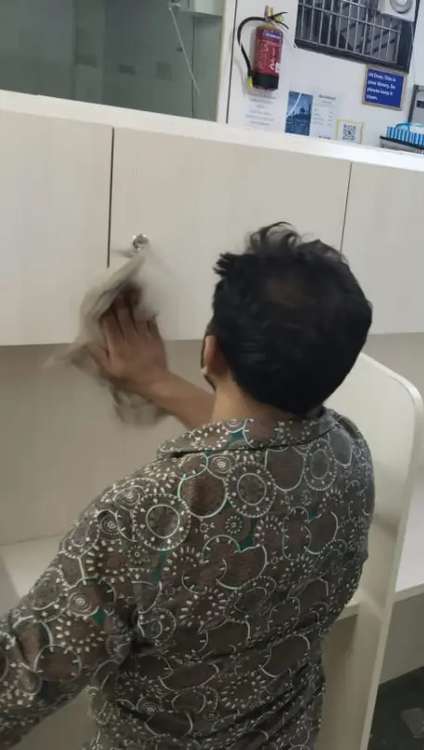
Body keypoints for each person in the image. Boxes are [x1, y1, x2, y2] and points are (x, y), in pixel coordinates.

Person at [0, 224, 374, 749]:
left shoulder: (142, 517)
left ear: (211, 352)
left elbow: (18, 683)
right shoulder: (350, 454)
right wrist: (155, 381)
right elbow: (261, 450)